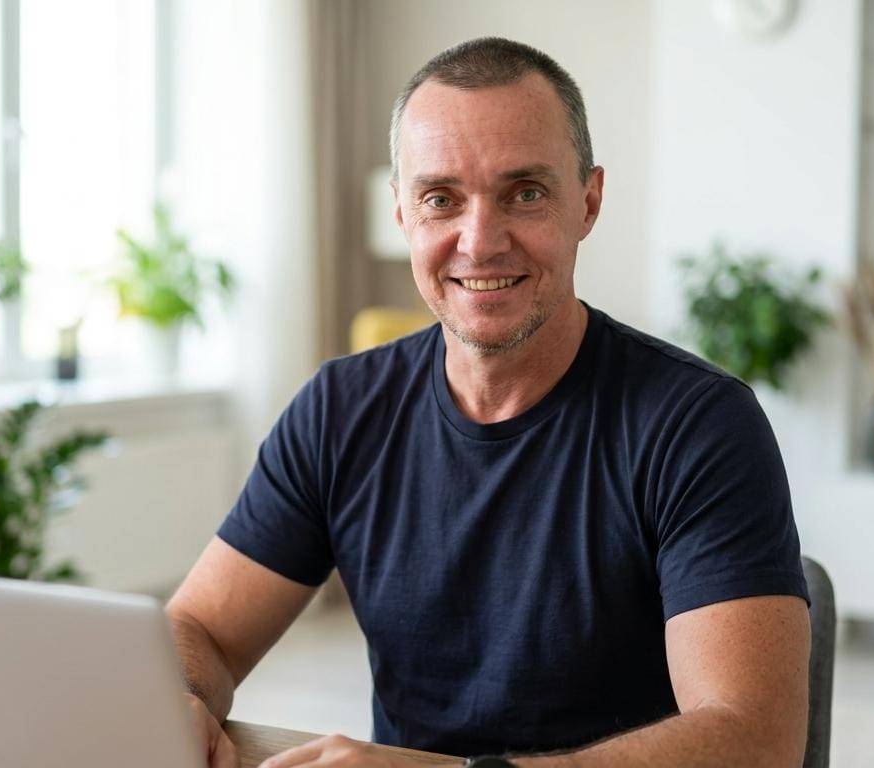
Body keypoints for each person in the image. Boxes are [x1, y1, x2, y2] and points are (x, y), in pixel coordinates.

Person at [167, 36, 811, 768]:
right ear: (404, 215)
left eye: (524, 193)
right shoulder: (337, 411)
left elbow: (755, 740)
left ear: (588, 201)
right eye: (440, 199)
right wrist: (179, 694)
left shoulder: (697, 426)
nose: (479, 241)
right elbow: (202, 630)